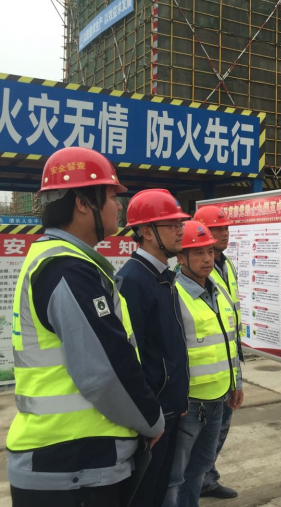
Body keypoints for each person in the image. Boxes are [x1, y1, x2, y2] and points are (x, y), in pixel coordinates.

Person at [7, 147, 164, 507]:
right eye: (110, 196)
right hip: (73, 466)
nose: (118, 206)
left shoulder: (57, 260)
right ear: (82, 203)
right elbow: (105, 372)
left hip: (65, 460)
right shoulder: (67, 269)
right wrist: (151, 419)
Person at [116, 189, 192, 507]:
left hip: (171, 409)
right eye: (172, 224)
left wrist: (179, 397)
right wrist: (149, 415)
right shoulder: (133, 281)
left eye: (180, 223)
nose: (180, 230)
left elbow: (168, 346)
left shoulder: (163, 277)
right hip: (153, 417)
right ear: (147, 232)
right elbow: (129, 360)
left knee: (161, 489)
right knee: (145, 495)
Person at [164, 220, 243, 507]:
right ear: (181, 257)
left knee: (200, 467)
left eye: (209, 251)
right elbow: (167, 354)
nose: (207, 259)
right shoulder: (172, 293)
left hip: (218, 397)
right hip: (189, 403)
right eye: (198, 253)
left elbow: (229, 340)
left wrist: (236, 382)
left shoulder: (218, 289)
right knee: (175, 475)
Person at [194, 205, 244, 500]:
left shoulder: (226, 265)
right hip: (206, 366)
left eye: (226, 228)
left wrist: (237, 374)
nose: (224, 233)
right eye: (217, 229)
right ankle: (197, 480)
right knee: (202, 433)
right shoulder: (189, 270)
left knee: (221, 425)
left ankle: (206, 478)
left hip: (228, 356)